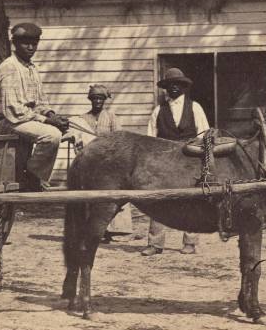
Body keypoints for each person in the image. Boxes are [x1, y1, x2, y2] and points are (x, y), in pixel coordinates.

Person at [0, 22, 70, 191]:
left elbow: (41, 100)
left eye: (34, 43)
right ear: (15, 44)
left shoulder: (31, 68)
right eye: (26, 43)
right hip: (6, 122)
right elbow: (13, 110)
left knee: (67, 130)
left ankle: (31, 174)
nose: (31, 47)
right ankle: (32, 176)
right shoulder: (9, 67)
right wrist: (47, 121)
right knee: (51, 135)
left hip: (23, 120)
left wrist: (51, 114)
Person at [141, 67, 209, 256]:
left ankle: (190, 242)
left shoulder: (195, 107)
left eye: (177, 85)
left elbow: (204, 134)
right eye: (170, 85)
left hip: (190, 159)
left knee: (191, 199)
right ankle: (155, 243)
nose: (174, 88)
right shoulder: (158, 111)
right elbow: (150, 138)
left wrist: (200, 156)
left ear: (183, 87)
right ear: (166, 88)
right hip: (164, 160)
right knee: (158, 199)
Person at [72, 84, 132, 241]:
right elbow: (78, 139)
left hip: (108, 162)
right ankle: (93, 230)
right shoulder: (83, 119)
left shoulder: (111, 117)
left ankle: (115, 231)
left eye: (100, 98)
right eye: (94, 98)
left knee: (112, 194)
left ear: (105, 101)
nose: (97, 101)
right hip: (90, 163)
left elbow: (119, 138)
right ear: (90, 100)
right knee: (90, 196)